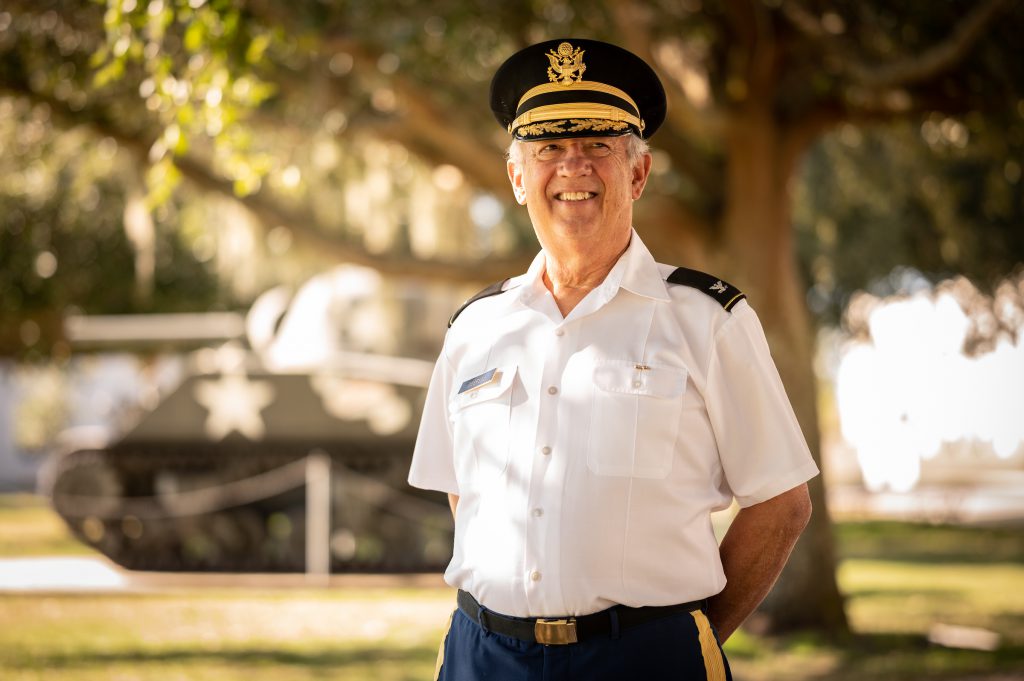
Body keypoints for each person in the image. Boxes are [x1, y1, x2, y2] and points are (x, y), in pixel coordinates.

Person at [408, 37, 819, 681]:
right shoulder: (474, 329)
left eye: (598, 146)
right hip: (482, 656)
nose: (573, 168)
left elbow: (781, 503)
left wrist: (697, 639)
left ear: (638, 173)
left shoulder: (707, 319)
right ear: (518, 178)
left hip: (644, 658)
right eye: (548, 149)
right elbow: (467, 492)